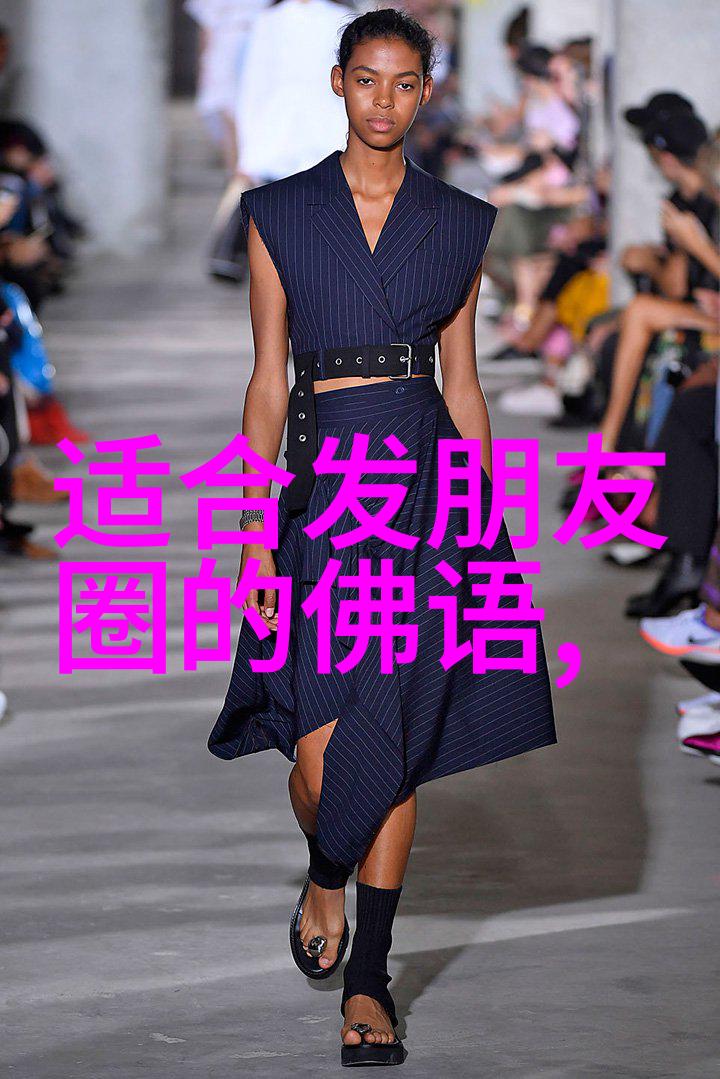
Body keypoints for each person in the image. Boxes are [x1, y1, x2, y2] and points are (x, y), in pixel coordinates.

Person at [207, 9, 557, 1066]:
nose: (384, 101)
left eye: (405, 84)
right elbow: (267, 383)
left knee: (392, 741)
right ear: (338, 82)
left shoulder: (460, 220)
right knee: (324, 759)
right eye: (367, 79)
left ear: (426, 93)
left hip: (423, 497)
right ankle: (327, 874)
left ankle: (370, 978)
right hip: (324, 495)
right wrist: (253, 539)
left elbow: (466, 382)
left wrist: (482, 525)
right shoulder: (280, 213)